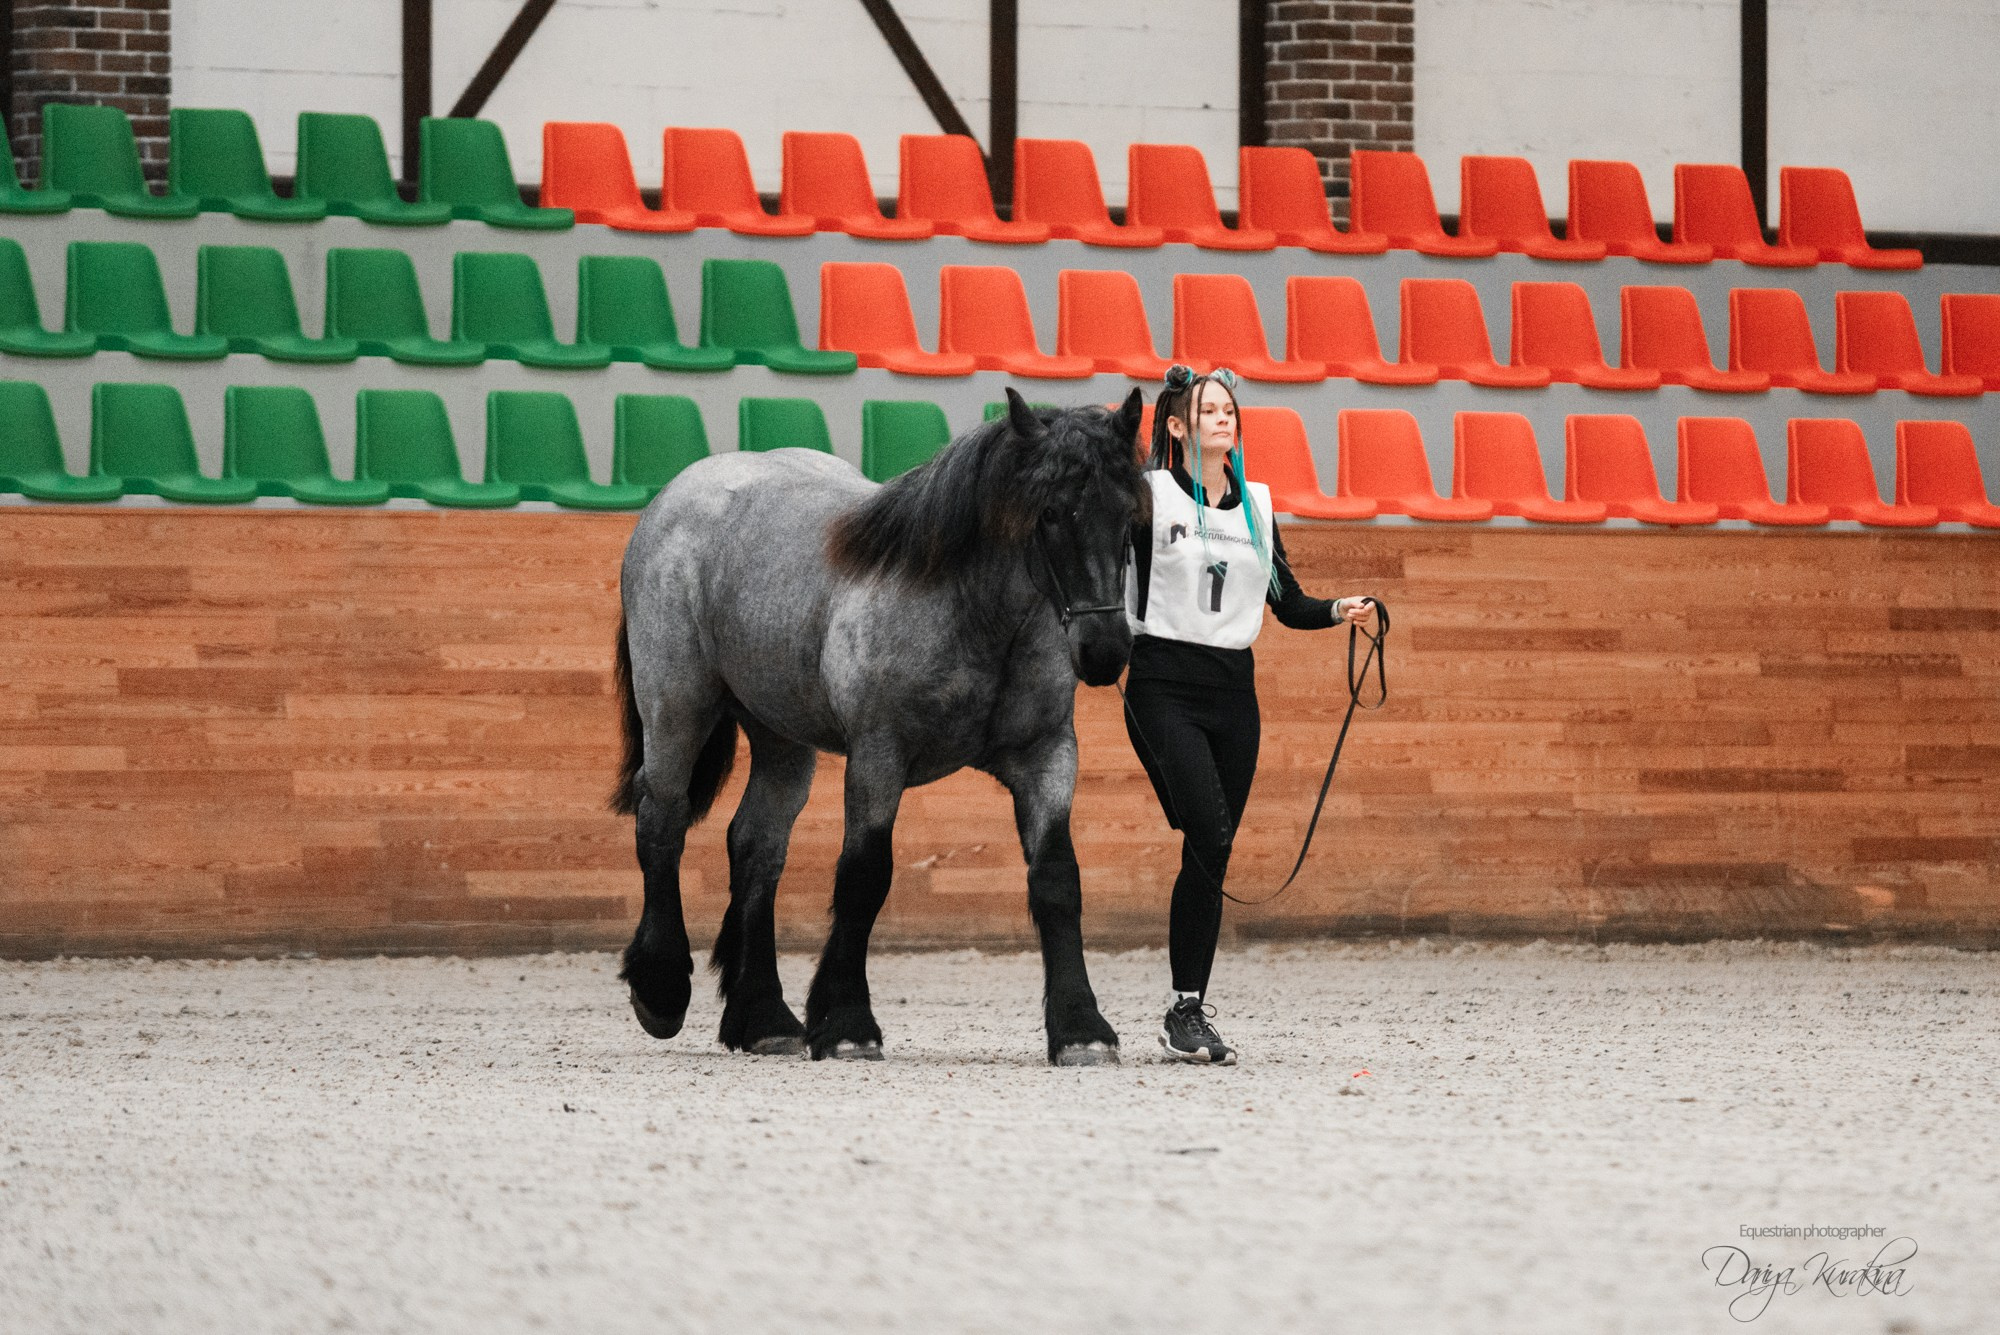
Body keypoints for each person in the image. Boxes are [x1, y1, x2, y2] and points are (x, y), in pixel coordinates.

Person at [1122, 365, 1375, 1065]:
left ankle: (1186, 1010)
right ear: (1177, 425)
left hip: (1234, 691)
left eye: (1230, 408)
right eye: (1208, 408)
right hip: (1160, 681)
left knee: (1213, 846)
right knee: (1205, 826)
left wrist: (1337, 610)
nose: (1223, 417)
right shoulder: (1148, 495)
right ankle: (1186, 1008)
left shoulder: (1259, 505)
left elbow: (1285, 601)